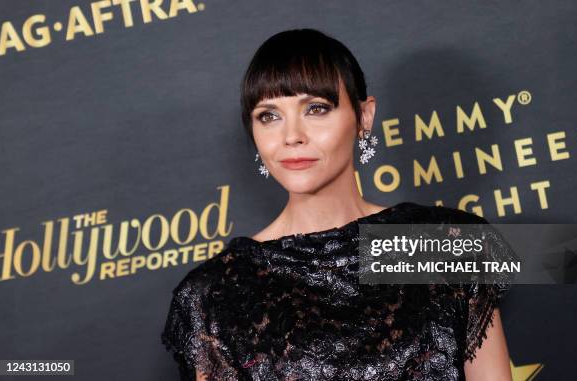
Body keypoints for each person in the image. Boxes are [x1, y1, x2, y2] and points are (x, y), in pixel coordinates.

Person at [161, 28, 515, 381]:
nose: (291, 136)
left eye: (316, 108)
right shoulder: (217, 293)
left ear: (364, 116)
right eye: (269, 115)